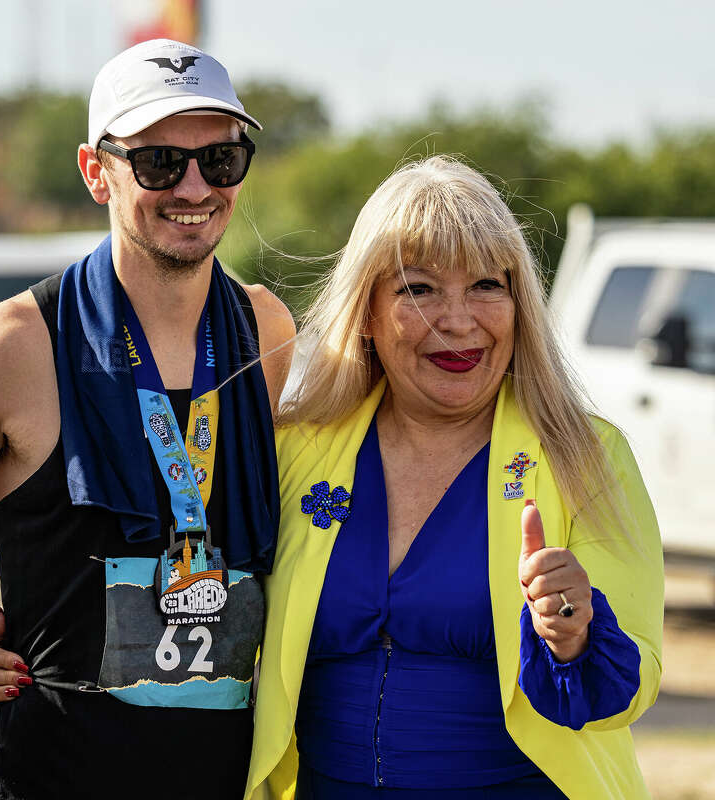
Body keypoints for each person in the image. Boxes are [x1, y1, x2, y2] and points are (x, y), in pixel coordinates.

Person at [0, 39, 295, 799]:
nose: (195, 186)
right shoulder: (12, 345)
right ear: (95, 171)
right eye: (159, 163)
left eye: (222, 160)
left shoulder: (267, 331)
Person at [246, 156, 663, 798]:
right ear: (368, 309)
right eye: (419, 289)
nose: (459, 319)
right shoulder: (292, 447)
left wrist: (576, 634)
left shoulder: (586, 454)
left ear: (520, 303)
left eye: (487, 286)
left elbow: (629, 687)